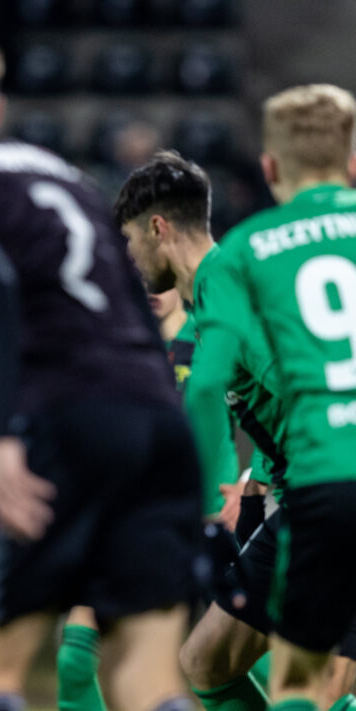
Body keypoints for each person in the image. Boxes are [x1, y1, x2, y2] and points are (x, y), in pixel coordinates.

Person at [0, 22, 202, 711]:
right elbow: (135, 301)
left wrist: (2, 435)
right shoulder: (68, 176)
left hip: (62, 417)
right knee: (148, 679)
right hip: (156, 417)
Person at [116, 148, 356, 711]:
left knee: (315, 690)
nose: (128, 259)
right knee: (207, 662)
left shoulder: (227, 288)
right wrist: (262, 472)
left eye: (128, 241)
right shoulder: (221, 289)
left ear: (157, 228)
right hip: (304, 494)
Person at [182, 83, 356, 711]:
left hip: (327, 484)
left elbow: (206, 384)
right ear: (352, 161)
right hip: (319, 485)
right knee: (209, 661)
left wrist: (213, 503)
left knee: (301, 687)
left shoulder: (245, 251)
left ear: (271, 167)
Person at [55, 284, 197, 711]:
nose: (149, 286)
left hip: (202, 521)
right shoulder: (111, 344)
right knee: (75, 659)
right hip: (124, 520)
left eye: (158, 275)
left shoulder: (212, 335)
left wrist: (257, 477)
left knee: (229, 660)